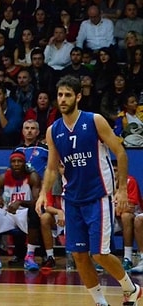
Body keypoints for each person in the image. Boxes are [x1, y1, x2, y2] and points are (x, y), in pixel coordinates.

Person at [35, 75, 142, 306]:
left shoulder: (95, 121)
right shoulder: (53, 130)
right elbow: (52, 167)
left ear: (78, 97)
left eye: (68, 95)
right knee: (79, 255)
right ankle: (99, 302)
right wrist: (44, 192)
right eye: (60, 95)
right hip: (71, 199)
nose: (62, 99)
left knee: (99, 253)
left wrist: (122, 190)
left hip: (98, 196)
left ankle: (130, 288)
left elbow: (121, 153)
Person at [0, 151, 43, 271]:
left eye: (19, 161)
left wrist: (20, 202)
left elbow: (37, 202)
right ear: (10, 164)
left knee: (35, 212)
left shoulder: (32, 177)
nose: (16, 164)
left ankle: (29, 256)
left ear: (24, 163)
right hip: (6, 213)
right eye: (14, 162)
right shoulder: (2, 178)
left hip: (24, 212)